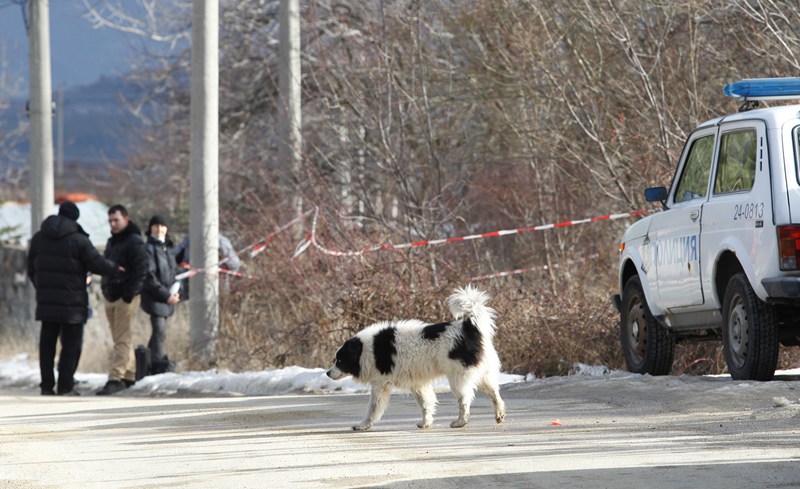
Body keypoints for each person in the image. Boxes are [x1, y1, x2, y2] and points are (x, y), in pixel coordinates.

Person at [26, 201, 120, 396]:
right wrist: (115, 268)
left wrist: (42, 289)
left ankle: (46, 386)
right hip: (73, 303)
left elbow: (31, 269)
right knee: (71, 346)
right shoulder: (78, 240)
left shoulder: (38, 238)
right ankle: (65, 386)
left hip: (47, 303)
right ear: (75, 218)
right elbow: (96, 264)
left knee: (47, 345)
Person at [97, 204, 147, 395]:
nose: (113, 224)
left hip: (125, 297)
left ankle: (115, 377)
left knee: (122, 339)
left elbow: (142, 269)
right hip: (110, 294)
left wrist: (129, 293)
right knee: (120, 338)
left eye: (116, 220)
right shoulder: (112, 241)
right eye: (110, 221)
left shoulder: (134, 241)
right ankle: (129, 374)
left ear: (126, 219)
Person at [140, 215, 180, 375]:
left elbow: (174, 273)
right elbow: (149, 276)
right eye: (156, 226)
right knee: (159, 332)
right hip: (154, 298)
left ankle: (146, 367)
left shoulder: (167, 249)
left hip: (167, 298)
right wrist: (165, 296)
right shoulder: (148, 248)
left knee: (158, 333)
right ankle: (157, 367)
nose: (160, 229)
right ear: (150, 229)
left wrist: (177, 292)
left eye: (163, 226)